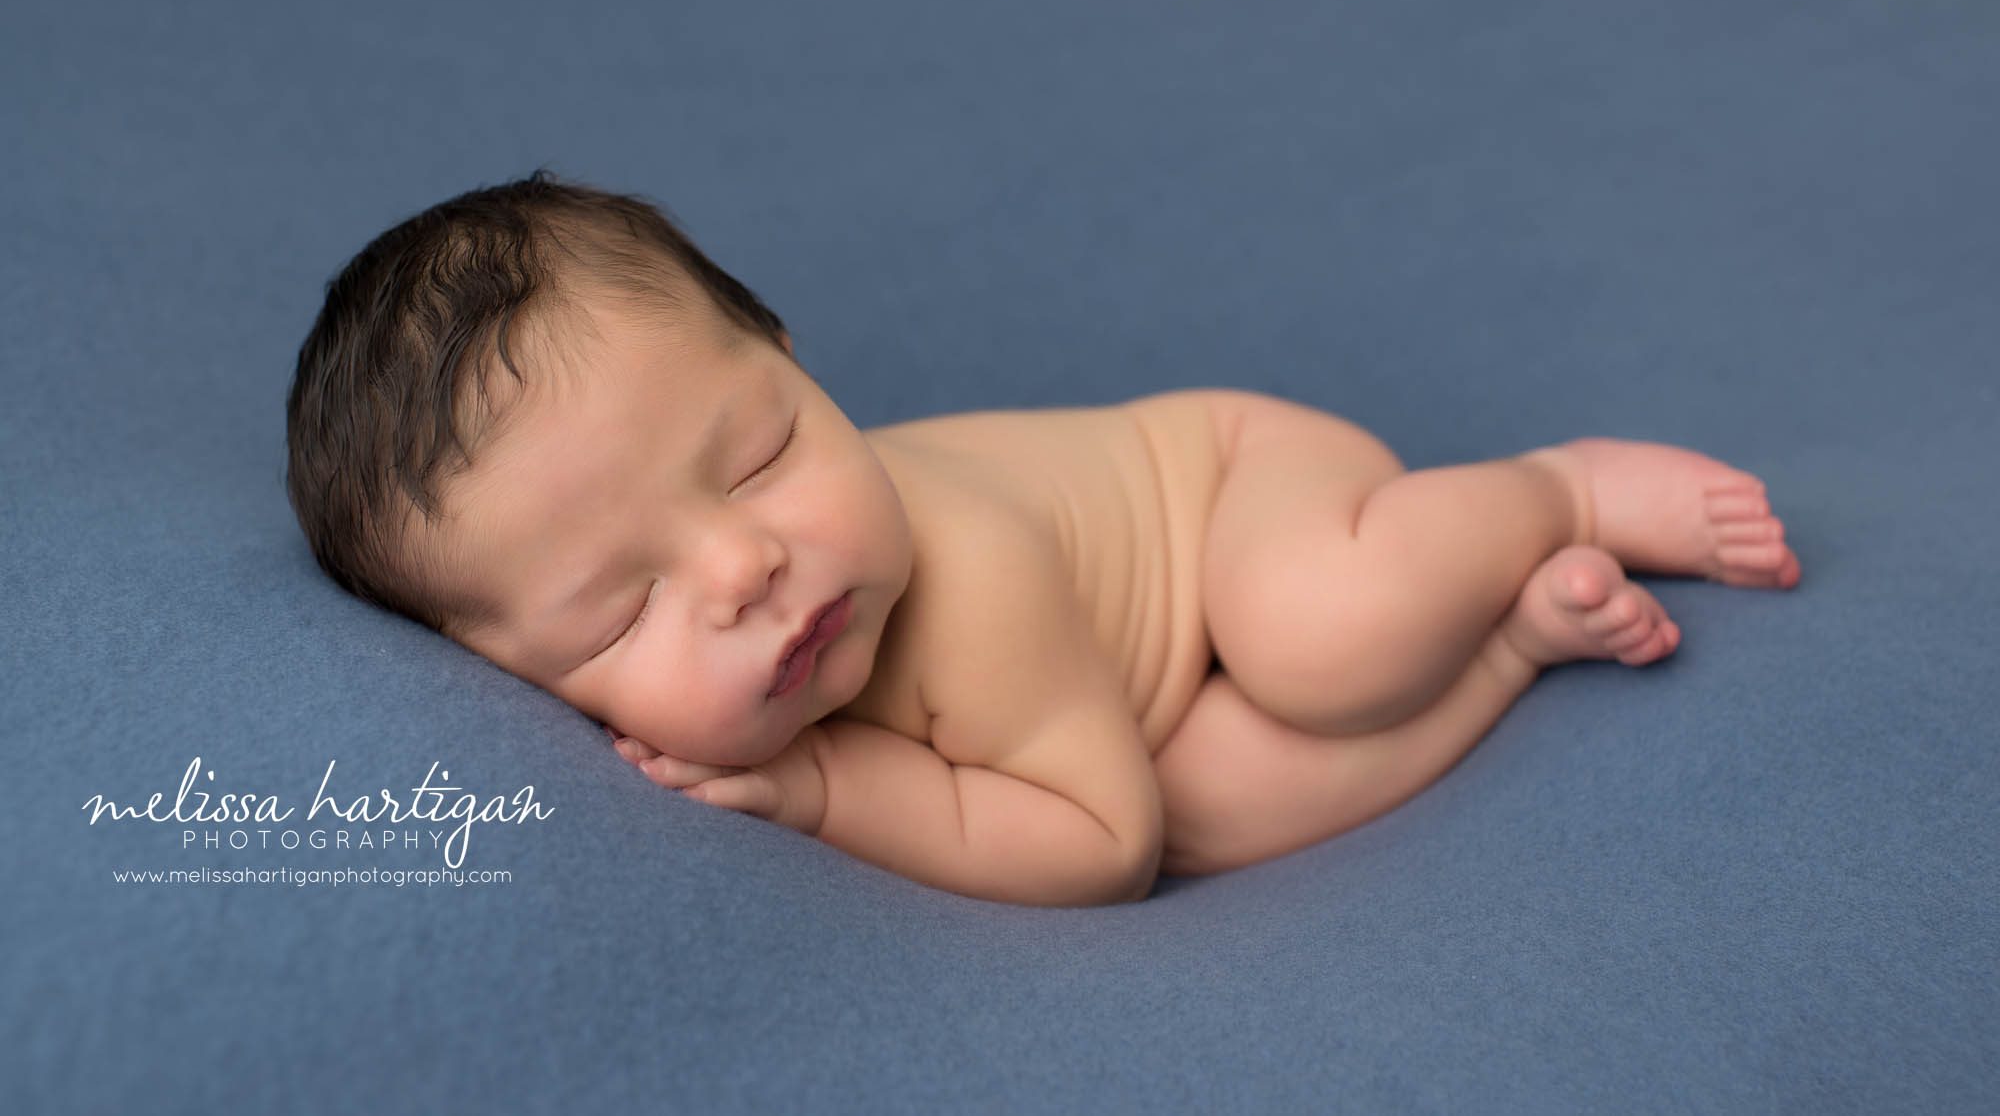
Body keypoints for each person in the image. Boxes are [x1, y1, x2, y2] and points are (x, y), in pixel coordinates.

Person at [286, 169, 1801, 907]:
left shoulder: (972, 588)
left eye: (758, 457)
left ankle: (1558, 491)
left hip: (1234, 488)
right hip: (1116, 707)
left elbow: (1103, 850)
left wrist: (820, 788)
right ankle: (1514, 643)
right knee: (1207, 797)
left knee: (1310, 643)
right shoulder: (745, 591)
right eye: (619, 617)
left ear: (800, 364)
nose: (745, 570)